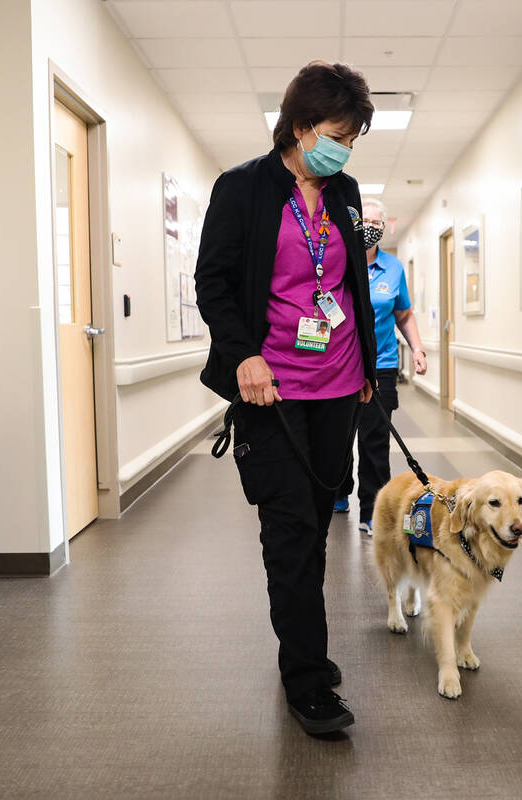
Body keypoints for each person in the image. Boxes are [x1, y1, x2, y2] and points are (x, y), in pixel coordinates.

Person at [194, 61, 376, 737]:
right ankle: (306, 679)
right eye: (336, 134)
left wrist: (364, 366)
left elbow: (351, 279)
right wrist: (243, 353)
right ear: (299, 126)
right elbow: (212, 282)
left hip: (338, 385)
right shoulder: (242, 189)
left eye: (353, 138)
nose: (344, 149)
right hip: (270, 391)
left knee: (317, 526)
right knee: (289, 532)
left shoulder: (346, 191)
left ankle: (307, 651)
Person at [333, 198, 427, 533]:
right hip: (340, 363)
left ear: (384, 228)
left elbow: (403, 314)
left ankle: (372, 512)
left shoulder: (394, 268)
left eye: (376, 222)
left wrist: (416, 348)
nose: (370, 228)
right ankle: (339, 491)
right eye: (364, 222)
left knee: (374, 441)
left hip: (381, 366)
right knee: (339, 435)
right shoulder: (337, 262)